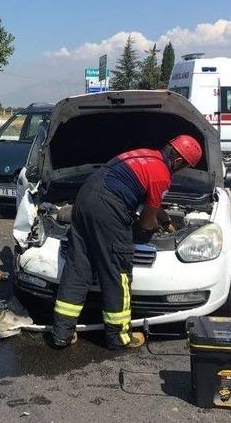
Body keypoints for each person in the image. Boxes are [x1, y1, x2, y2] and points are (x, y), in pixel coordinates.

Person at [50, 135, 203, 350]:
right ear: (179, 161)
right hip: (108, 208)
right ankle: (119, 337)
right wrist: (146, 231)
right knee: (117, 272)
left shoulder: (144, 155)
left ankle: (61, 334)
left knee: (78, 267)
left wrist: (166, 221)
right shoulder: (162, 174)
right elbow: (147, 221)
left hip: (84, 200)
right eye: (185, 166)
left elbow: (153, 200)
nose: (182, 170)